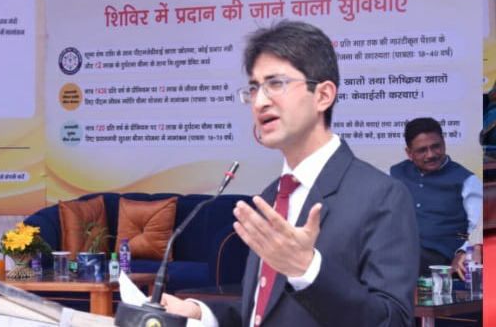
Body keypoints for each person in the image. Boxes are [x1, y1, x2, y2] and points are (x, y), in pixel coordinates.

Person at [162, 20, 419, 326]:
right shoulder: (271, 196)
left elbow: (393, 320)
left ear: (323, 95)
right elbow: (264, 312)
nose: (260, 101)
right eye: (254, 88)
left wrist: (307, 270)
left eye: (276, 84)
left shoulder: (381, 197)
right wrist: (201, 315)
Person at [390, 117, 482, 280]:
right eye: (422, 150)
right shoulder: (395, 174)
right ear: (409, 153)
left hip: (440, 260)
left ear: (444, 143)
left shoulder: (466, 180)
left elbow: (479, 226)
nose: (431, 154)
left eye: (436, 146)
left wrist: (463, 251)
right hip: (397, 256)